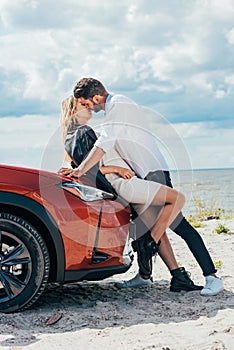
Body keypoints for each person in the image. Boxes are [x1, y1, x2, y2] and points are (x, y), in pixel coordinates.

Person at [61, 78, 224, 296]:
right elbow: (106, 150)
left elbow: (105, 143)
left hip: (153, 172)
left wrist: (81, 170)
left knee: (179, 226)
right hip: (139, 177)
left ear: (96, 97)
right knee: (151, 228)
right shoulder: (108, 115)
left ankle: (211, 276)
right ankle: (162, 276)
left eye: (88, 103)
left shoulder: (119, 104)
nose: (89, 108)